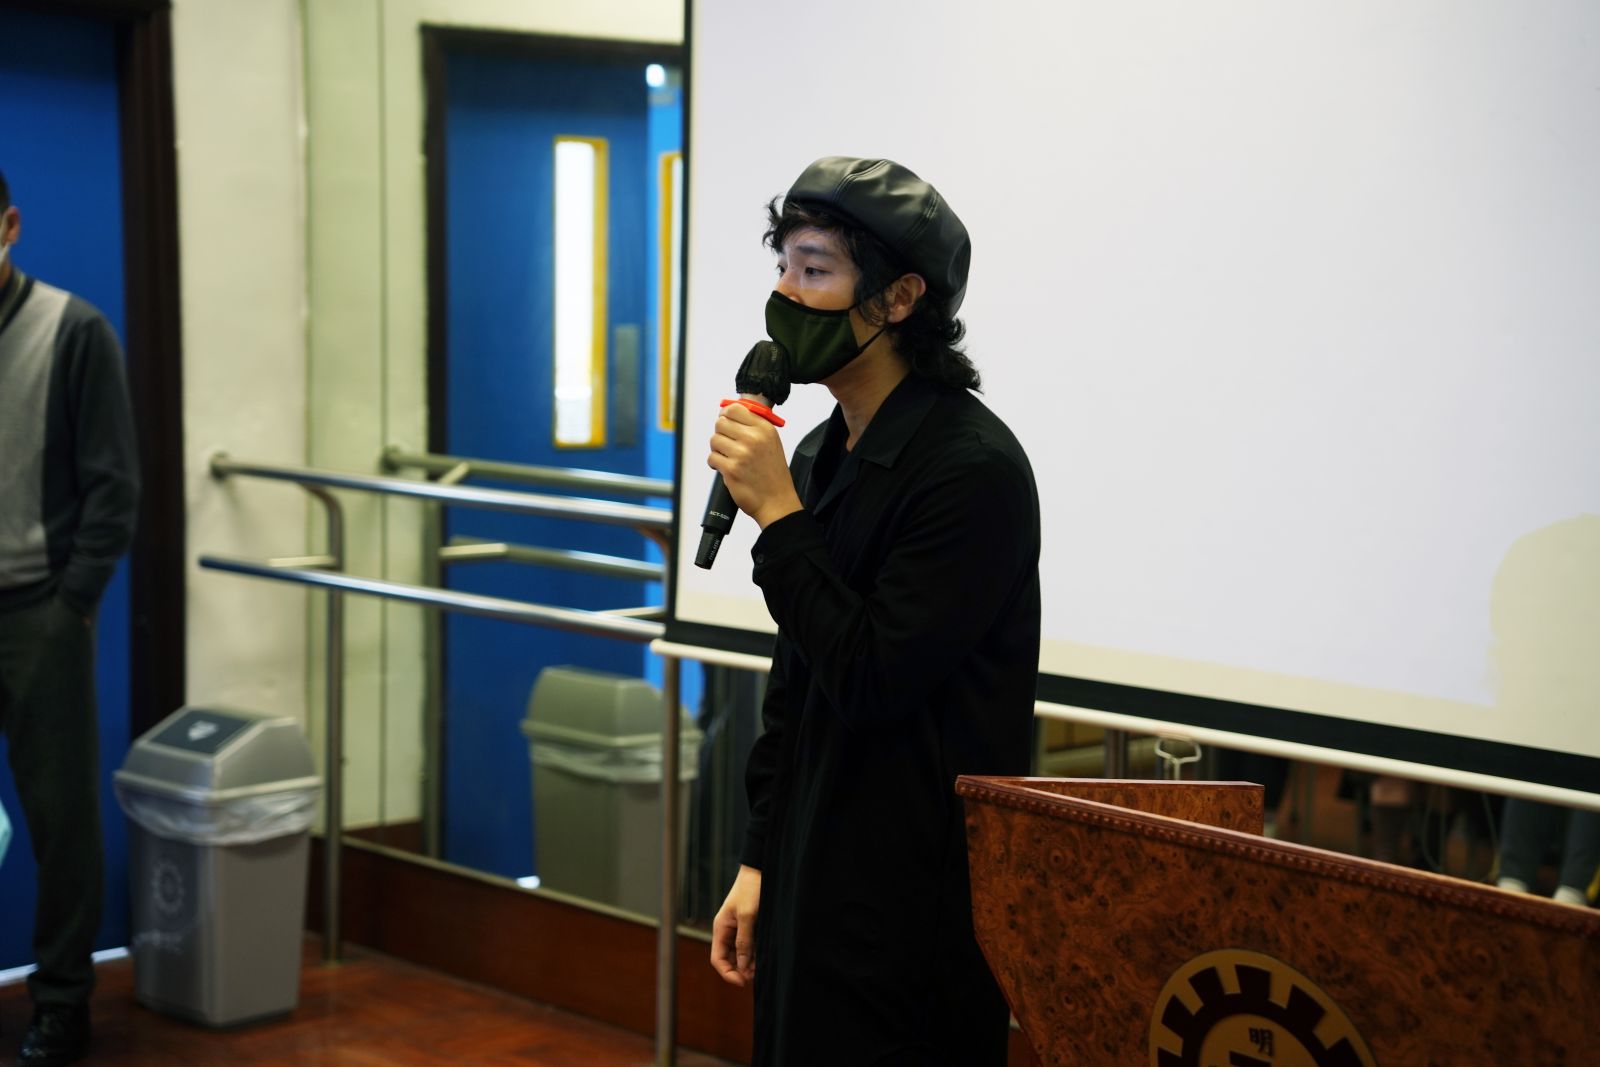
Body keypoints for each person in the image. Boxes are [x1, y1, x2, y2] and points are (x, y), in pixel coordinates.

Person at [707, 157, 1041, 1066]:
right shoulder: (821, 450)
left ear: (899, 298)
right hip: (808, 866)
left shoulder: (970, 470)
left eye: (815, 270)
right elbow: (797, 679)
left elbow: (871, 678)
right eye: (783, 265)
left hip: (909, 899)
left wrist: (780, 517)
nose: (786, 293)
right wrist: (760, 857)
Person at [0, 168, 140, 1067]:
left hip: (36, 613)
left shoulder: (72, 329)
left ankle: (61, 1002)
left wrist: (72, 603)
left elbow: (113, 486)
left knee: (60, 821)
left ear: (9, 225)